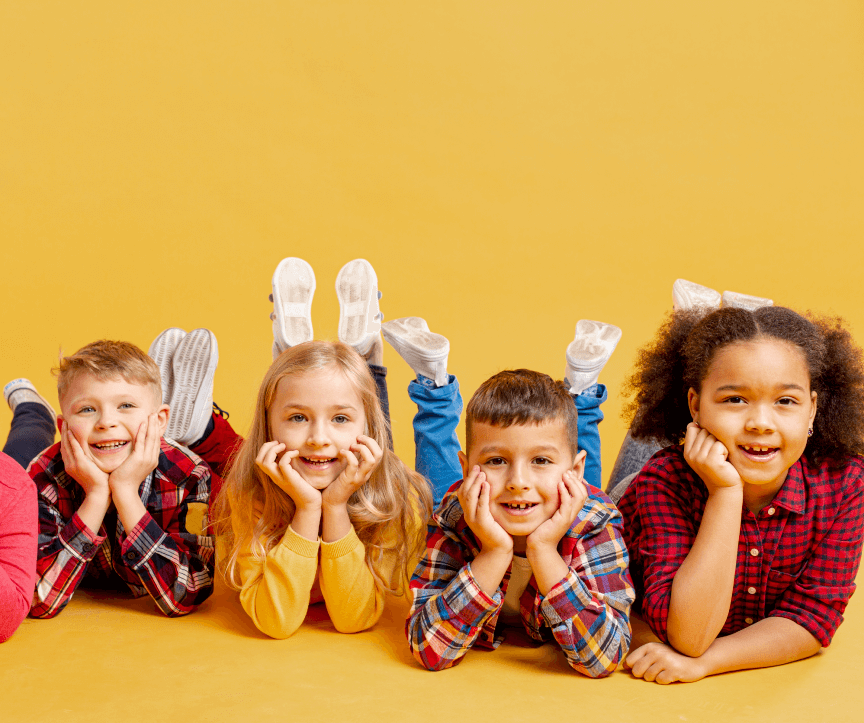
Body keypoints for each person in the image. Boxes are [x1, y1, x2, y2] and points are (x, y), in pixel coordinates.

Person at [618, 303, 864, 683]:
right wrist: (725, 493)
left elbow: (813, 618)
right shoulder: (660, 482)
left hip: (715, 448)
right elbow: (689, 636)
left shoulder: (847, 483)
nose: (761, 424)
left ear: (813, 410)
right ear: (696, 406)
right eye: (735, 399)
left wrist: (707, 663)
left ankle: (730, 325)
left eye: (786, 401)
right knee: (612, 483)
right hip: (636, 494)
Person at [214, 258, 433, 639]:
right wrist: (308, 507)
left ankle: (360, 357)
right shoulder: (250, 493)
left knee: (342, 396)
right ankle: (296, 353)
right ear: (269, 426)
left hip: (361, 466)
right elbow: (276, 621)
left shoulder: (387, 492)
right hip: (298, 468)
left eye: (340, 420)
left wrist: (335, 507)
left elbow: (354, 618)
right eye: (297, 419)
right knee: (313, 389)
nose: (319, 438)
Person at [405, 361, 634, 677]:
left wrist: (543, 550)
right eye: (496, 460)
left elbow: (605, 657)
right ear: (467, 467)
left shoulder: (594, 522)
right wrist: (494, 552)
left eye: (541, 460)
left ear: (575, 471)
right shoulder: (452, 519)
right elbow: (428, 650)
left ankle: (584, 387)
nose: (518, 481)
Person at [26, 335, 220, 618]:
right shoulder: (43, 476)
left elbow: (187, 594)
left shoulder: (190, 475)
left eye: (126, 406)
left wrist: (126, 493)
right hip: (29, 462)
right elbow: (38, 599)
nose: (106, 422)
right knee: (19, 451)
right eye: (87, 409)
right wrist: (95, 495)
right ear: (64, 425)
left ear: (160, 420)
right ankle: (32, 412)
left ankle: (203, 427)